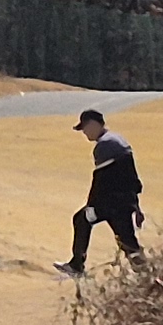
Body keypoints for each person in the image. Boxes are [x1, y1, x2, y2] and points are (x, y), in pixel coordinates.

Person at [60, 108, 144, 275]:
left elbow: (101, 181)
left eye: (85, 127)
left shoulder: (104, 145)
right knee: (127, 241)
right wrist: (135, 205)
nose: (84, 133)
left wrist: (91, 206)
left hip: (112, 202)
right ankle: (147, 274)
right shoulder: (117, 139)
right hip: (124, 200)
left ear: (93, 124)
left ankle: (77, 266)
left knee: (81, 219)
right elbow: (131, 177)